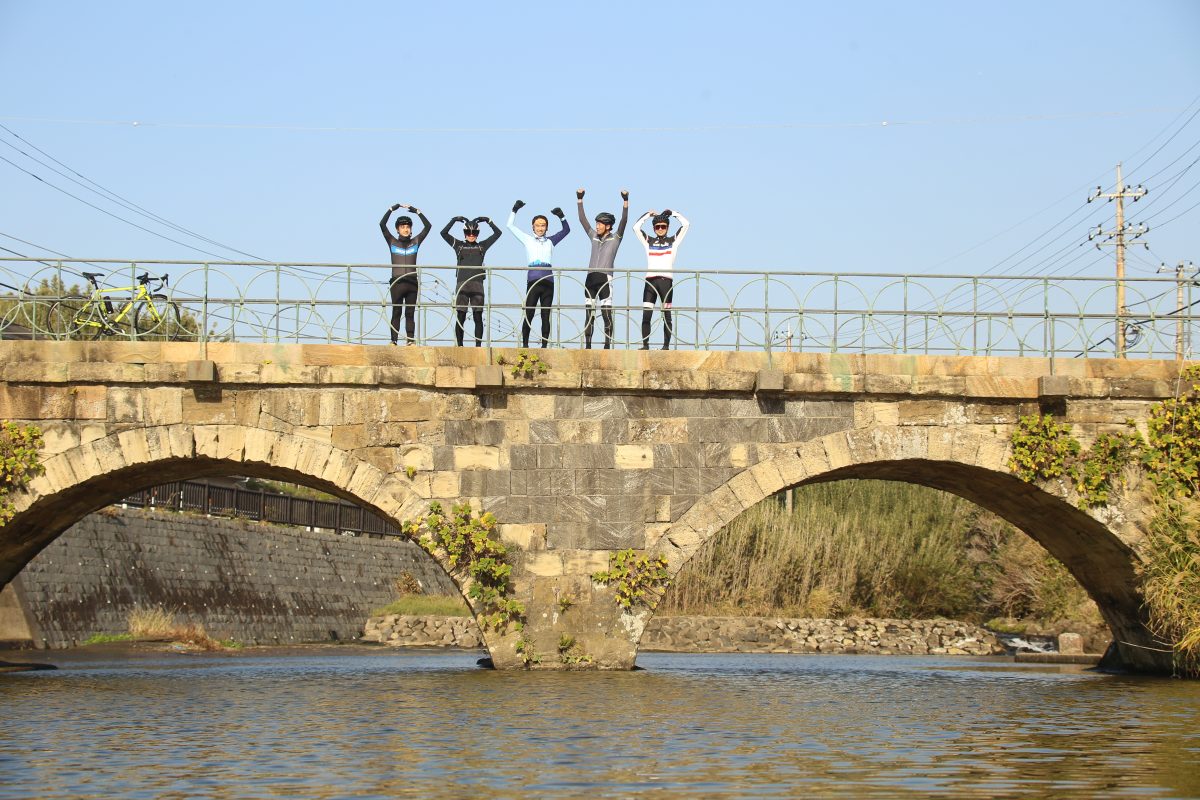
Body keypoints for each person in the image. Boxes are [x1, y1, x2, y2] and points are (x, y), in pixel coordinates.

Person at [507, 200, 569, 348]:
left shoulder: (551, 241)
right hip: (533, 281)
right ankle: (525, 345)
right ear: (533, 227)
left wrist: (561, 216)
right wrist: (515, 210)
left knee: (545, 315)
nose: (540, 228)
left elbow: (566, 230)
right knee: (529, 313)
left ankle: (544, 346)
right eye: (537, 225)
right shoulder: (527, 239)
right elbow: (509, 226)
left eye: (543, 225)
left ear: (546, 227)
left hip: (548, 282)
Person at [576, 188, 629, 349]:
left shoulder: (616, 238)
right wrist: (580, 199)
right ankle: (588, 346)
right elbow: (582, 220)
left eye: (599, 224)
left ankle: (607, 345)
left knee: (606, 314)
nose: (596, 226)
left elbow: (624, 221)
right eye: (596, 224)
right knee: (589, 314)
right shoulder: (593, 236)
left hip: (605, 278)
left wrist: (625, 201)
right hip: (590, 278)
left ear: (608, 226)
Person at [633, 208, 690, 350]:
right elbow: (635, 228)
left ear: (667, 228)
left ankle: (666, 346)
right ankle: (645, 345)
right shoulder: (648, 241)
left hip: (666, 282)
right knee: (646, 314)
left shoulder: (673, 241)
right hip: (650, 282)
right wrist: (647, 215)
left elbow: (686, 224)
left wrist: (673, 213)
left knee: (666, 315)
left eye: (663, 226)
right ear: (654, 228)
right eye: (657, 227)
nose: (660, 229)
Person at [442, 215, 501, 346]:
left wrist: (489, 221)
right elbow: (443, 233)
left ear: (477, 234)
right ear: (464, 233)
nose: (471, 235)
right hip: (462, 284)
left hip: (477, 285)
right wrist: (453, 220)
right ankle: (460, 345)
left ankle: (478, 346)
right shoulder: (459, 246)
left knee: (477, 317)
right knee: (460, 316)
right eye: (468, 232)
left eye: (474, 232)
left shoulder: (482, 246)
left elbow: (498, 233)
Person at [379, 202, 431, 345]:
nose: (405, 229)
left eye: (408, 227)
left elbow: (428, 226)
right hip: (397, 282)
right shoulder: (392, 242)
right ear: (397, 229)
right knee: (396, 312)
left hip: (412, 282)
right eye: (402, 227)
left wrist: (417, 211)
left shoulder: (415, 242)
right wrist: (391, 209)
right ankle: (393, 341)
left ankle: (410, 341)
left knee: (410, 313)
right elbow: (382, 225)